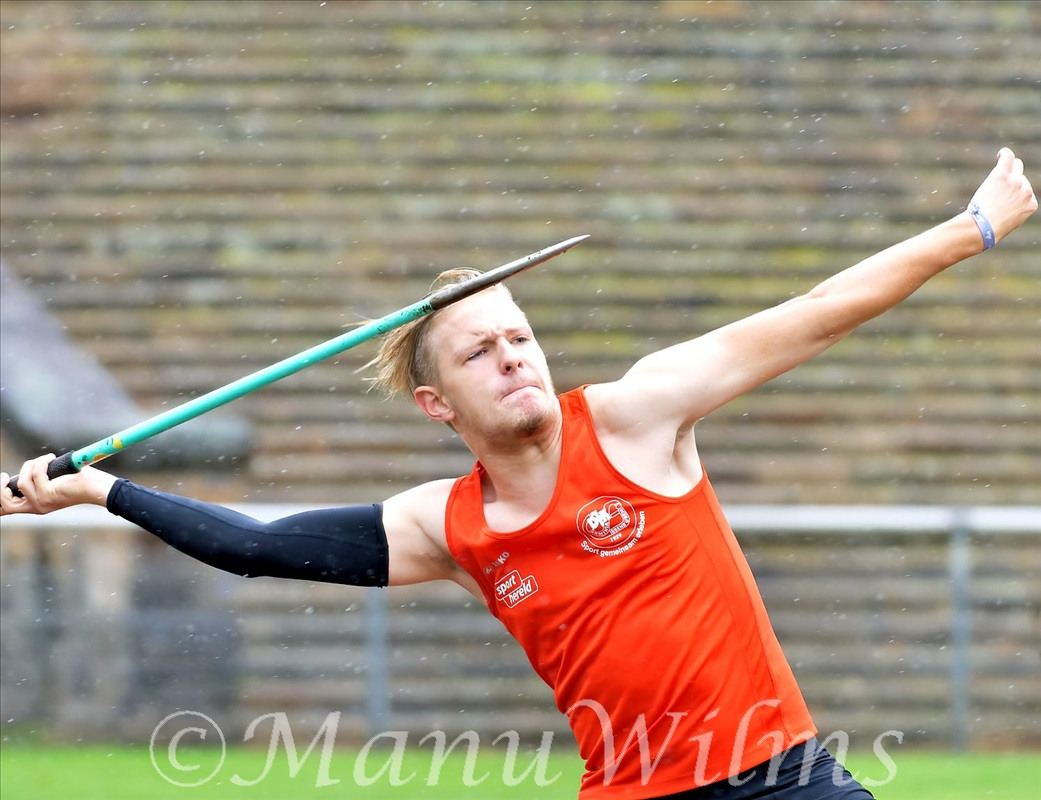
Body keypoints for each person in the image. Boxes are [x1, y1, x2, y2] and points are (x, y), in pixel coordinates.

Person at [1, 148, 1035, 799]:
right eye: (480, 352)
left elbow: (815, 313)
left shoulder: (636, 416)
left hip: (784, 778)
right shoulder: (444, 525)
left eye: (520, 337)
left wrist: (971, 228)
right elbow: (261, 546)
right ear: (437, 404)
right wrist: (99, 489)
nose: (514, 358)